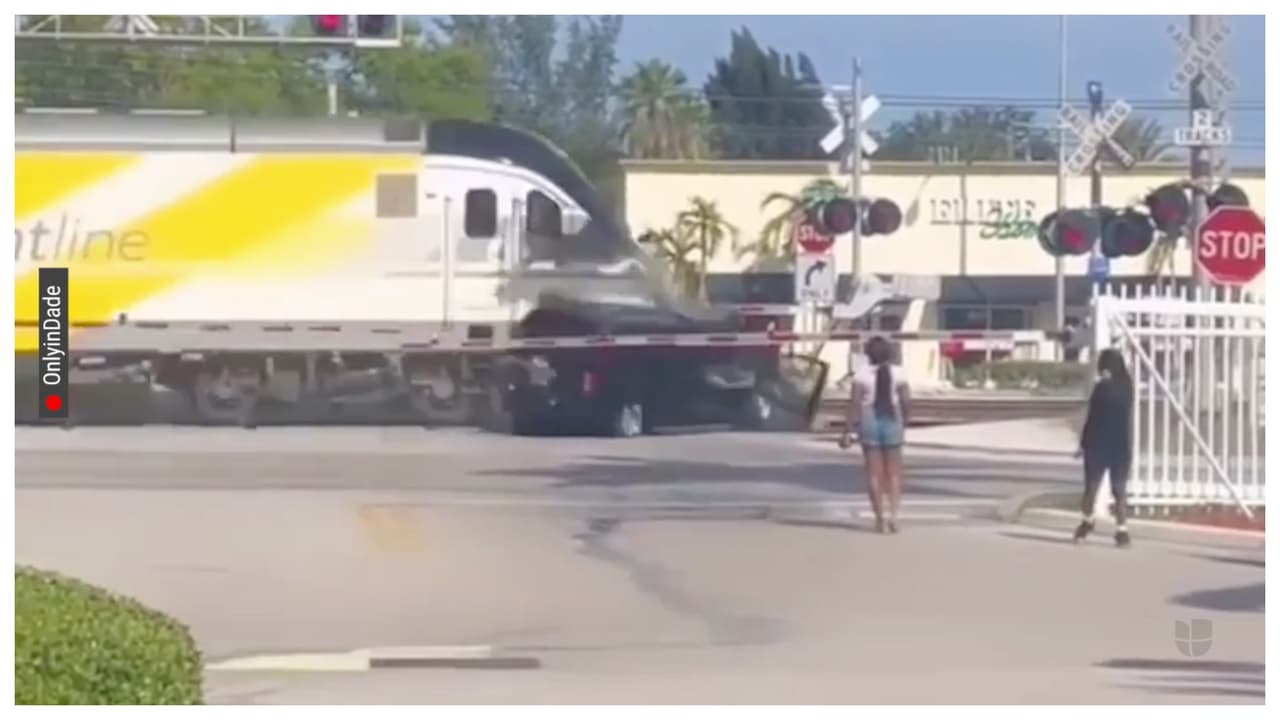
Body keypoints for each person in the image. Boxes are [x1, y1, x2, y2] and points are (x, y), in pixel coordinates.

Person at [840, 336, 912, 533]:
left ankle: (879, 518)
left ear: (868, 354)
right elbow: (906, 401)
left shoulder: (861, 375)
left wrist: (848, 430)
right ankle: (894, 516)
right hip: (891, 416)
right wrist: (905, 420)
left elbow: (854, 404)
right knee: (894, 473)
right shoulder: (899, 373)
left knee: (873, 474)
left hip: (869, 419)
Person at [1073, 348, 1135, 548]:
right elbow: (1093, 417)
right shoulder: (1117, 387)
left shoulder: (1113, 388)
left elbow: (1096, 416)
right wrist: (1083, 443)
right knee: (1103, 488)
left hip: (1108, 443)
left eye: (1106, 367)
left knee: (1107, 488)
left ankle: (1112, 527)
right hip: (1109, 444)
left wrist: (1084, 443)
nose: (1104, 371)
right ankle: (1098, 523)